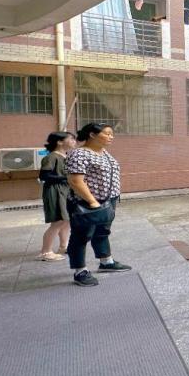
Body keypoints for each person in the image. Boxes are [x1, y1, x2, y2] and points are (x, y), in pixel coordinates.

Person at [65, 123, 131, 287]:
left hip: (107, 201)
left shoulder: (103, 152)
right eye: (107, 133)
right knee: (81, 236)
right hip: (87, 203)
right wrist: (92, 201)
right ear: (92, 135)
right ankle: (80, 271)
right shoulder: (79, 154)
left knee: (102, 232)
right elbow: (75, 181)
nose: (111, 137)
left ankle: (106, 262)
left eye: (112, 134)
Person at [38, 131, 76, 261]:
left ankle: (63, 246)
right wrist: (66, 178)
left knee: (66, 220)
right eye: (71, 139)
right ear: (59, 142)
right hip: (55, 191)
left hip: (65, 191)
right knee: (58, 221)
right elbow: (44, 176)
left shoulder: (66, 156)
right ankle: (46, 252)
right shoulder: (52, 157)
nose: (74, 142)